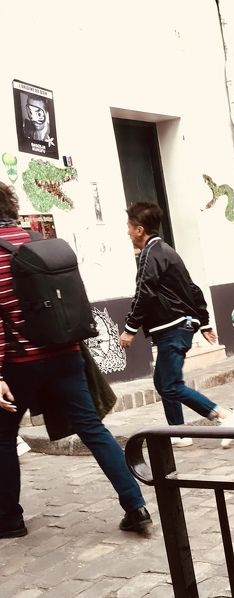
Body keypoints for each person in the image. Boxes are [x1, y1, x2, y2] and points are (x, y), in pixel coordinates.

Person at [0, 183, 151, 538]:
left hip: (19, 362)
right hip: (67, 354)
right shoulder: (37, 240)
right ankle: (135, 504)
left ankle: (9, 520)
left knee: (4, 438)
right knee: (93, 430)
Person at [118, 202, 234, 448]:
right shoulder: (166, 251)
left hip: (172, 327)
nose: (128, 232)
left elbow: (144, 292)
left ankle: (225, 415)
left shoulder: (150, 255)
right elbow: (192, 288)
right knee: (162, 382)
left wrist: (130, 328)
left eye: (129, 227)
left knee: (170, 384)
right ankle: (179, 432)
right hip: (180, 325)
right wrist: (204, 323)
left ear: (140, 229)